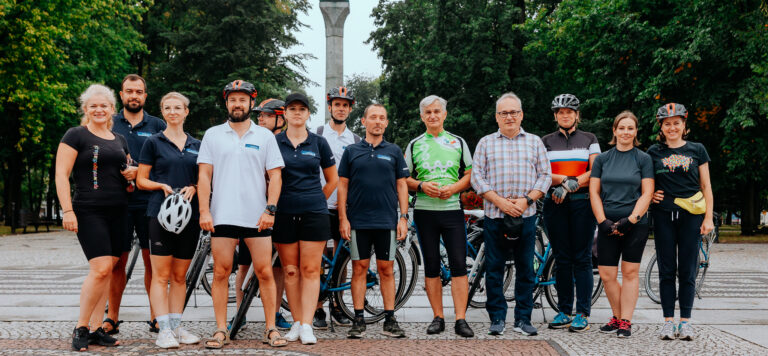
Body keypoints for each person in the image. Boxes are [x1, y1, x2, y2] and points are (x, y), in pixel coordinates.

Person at [197, 80, 287, 348]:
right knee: (222, 273)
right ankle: (221, 329)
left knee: (264, 273)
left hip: (257, 217)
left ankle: (271, 328)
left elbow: (275, 175)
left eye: (242, 99)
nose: (238, 104)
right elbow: (203, 175)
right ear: (226, 103)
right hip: (221, 215)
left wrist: (270, 209)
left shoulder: (265, 136)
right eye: (233, 99)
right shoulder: (212, 135)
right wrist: (204, 210)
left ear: (251, 103)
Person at [56, 84, 130, 351]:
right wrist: (67, 210)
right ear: (85, 109)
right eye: (93, 106)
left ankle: (98, 329)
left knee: (109, 270)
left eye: (104, 105)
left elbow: (126, 173)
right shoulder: (76, 135)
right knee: (99, 269)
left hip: (119, 210)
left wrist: (131, 176)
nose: (99, 110)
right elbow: (61, 174)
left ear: (112, 109)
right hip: (89, 209)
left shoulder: (120, 139)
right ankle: (81, 327)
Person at [470, 92, 551, 336]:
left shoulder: (535, 141)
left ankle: (523, 319)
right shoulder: (485, 142)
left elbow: (545, 175)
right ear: (496, 117)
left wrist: (526, 200)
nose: (509, 117)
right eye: (504, 113)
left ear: (521, 114)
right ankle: (497, 318)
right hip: (496, 216)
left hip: (526, 216)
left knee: (526, 268)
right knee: (494, 268)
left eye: (514, 112)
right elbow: (477, 177)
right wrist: (499, 202)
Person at [337, 104, 410, 339]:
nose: (378, 121)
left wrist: (403, 217)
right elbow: (343, 185)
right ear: (364, 122)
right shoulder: (351, 151)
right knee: (358, 268)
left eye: (382, 118)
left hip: (387, 221)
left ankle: (390, 318)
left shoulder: (395, 151)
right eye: (373, 117)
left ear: (386, 123)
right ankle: (358, 319)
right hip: (358, 221)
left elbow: (402, 184)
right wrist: (343, 218)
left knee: (386, 269)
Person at [404, 95, 474, 337]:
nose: (433, 116)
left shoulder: (458, 142)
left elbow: (470, 174)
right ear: (422, 117)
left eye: (437, 111)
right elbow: (404, 179)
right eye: (428, 112)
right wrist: (422, 185)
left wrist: (454, 188)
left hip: (452, 211)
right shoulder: (414, 144)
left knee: (458, 265)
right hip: (425, 212)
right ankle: (438, 317)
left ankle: (461, 319)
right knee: (431, 266)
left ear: (444, 114)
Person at [136, 92, 201, 348]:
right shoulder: (153, 142)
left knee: (180, 276)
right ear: (162, 112)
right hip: (159, 214)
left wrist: (195, 186)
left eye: (177, 107)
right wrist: (159, 185)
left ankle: (176, 327)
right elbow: (141, 179)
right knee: (160, 276)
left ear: (186, 111)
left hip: (189, 216)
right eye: (167, 108)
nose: (172, 112)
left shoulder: (198, 143)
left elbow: (206, 178)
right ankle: (163, 329)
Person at [272, 93, 339, 344]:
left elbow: (333, 180)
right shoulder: (275, 142)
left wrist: (317, 199)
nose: (297, 113)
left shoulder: (319, 143)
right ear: (285, 113)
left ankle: (308, 325)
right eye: (292, 109)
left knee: (310, 269)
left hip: (314, 212)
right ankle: (297, 322)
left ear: (309, 113)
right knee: (290, 270)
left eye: (302, 109)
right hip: (284, 211)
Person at [647, 103, 714, 341]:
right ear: (661, 127)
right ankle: (667, 322)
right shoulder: (653, 152)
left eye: (677, 123)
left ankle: (685, 322)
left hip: (692, 215)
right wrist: (651, 193)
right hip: (663, 215)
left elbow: (706, 186)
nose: (672, 127)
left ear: (684, 125)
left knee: (687, 270)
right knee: (666, 270)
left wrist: (708, 217)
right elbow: (646, 182)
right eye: (667, 124)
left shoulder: (697, 149)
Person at [105, 74, 166, 334]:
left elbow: (166, 163)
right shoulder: (108, 122)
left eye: (139, 92)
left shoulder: (158, 125)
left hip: (149, 202)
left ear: (145, 96)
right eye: (129, 91)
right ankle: (112, 318)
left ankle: (155, 316)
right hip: (117, 202)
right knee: (116, 263)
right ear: (121, 95)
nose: (134, 95)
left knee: (152, 261)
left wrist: (140, 173)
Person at [589, 110, 654, 338]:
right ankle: (617, 316)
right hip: (607, 223)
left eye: (630, 128)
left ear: (635, 132)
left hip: (635, 224)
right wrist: (602, 222)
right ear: (614, 130)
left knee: (629, 272)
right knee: (607, 274)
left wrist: (631, 220)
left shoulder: (643, 159)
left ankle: (625, 321)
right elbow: (594, 192)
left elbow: (647, 193)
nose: (625, 132)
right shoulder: (603, 159)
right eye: (621, 128)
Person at [230, 98, 291, 332]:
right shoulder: (251, 137)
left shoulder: (284, 142)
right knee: (244, 266)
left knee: (277, 268)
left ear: (279, 118)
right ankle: (239, 314)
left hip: (280, 212)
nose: (260, 118)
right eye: (259, 115)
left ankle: (275, 314)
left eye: (265, 115)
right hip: (253, 213)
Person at [541, 94, 600, 332]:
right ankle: (564, 311)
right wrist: (565, 179)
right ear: (555, 116)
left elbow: (595, 169)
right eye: (561, 112)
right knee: (562, 257)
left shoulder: (589, 138)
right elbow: (543, 172)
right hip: (554, 204)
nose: (565, 115)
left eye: (569, 112)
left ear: (577, 115)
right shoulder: (545, 140)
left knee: (582, 258)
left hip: (582, 203)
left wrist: (569, 186)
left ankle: (583, 313)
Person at [312, 86, 360, 328]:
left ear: (350, 109)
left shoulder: (356, 140)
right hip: (319, 206)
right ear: (329, 107)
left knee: (341, 260)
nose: (341, 108)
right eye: (336, 104)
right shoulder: (317, 134)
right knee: (318, 258)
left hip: (344, 208)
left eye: (345, 105)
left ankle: (338, 306)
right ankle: (318, 308)